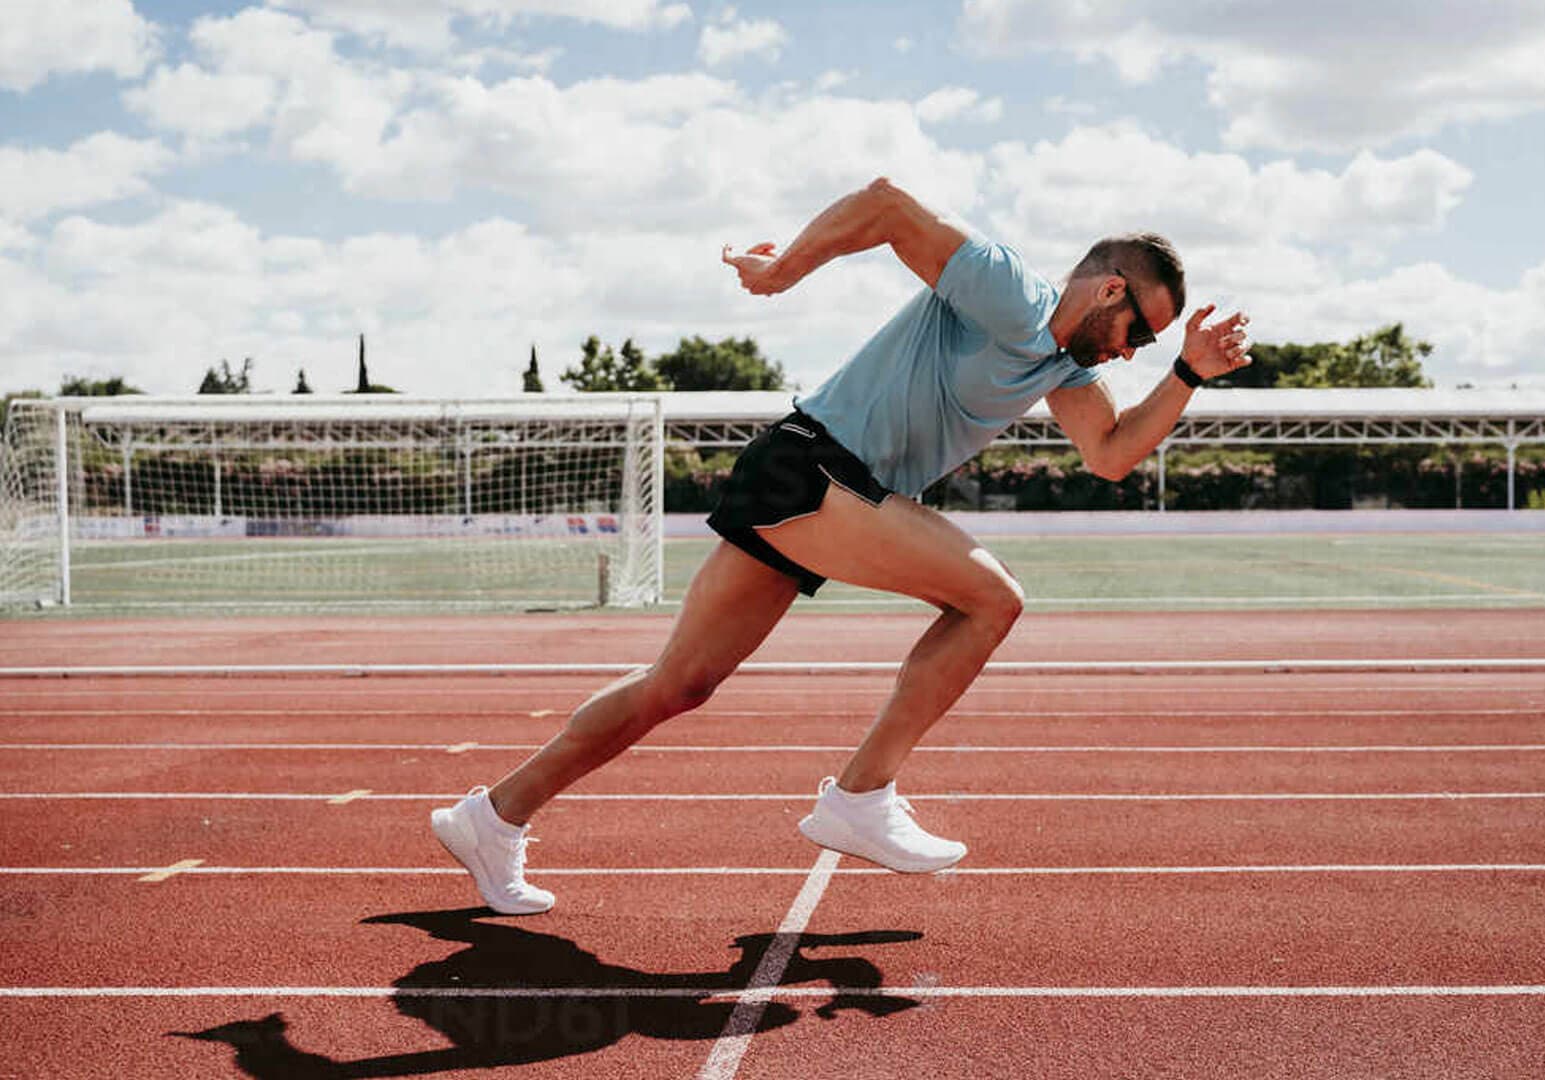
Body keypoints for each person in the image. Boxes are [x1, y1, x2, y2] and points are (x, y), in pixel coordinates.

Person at [431, 177, 1252, 914]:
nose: (1130, 353)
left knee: (677, 686)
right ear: (1111, 287)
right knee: (992, 599)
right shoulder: (1009, 289)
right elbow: (890, 204)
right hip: (814, 466)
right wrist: (781, 270)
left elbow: (1110, 454)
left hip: (820, 488)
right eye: (1139, 333)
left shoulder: (1063, 370)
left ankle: (492, 816)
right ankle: (862, 796)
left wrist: (1186, 376)